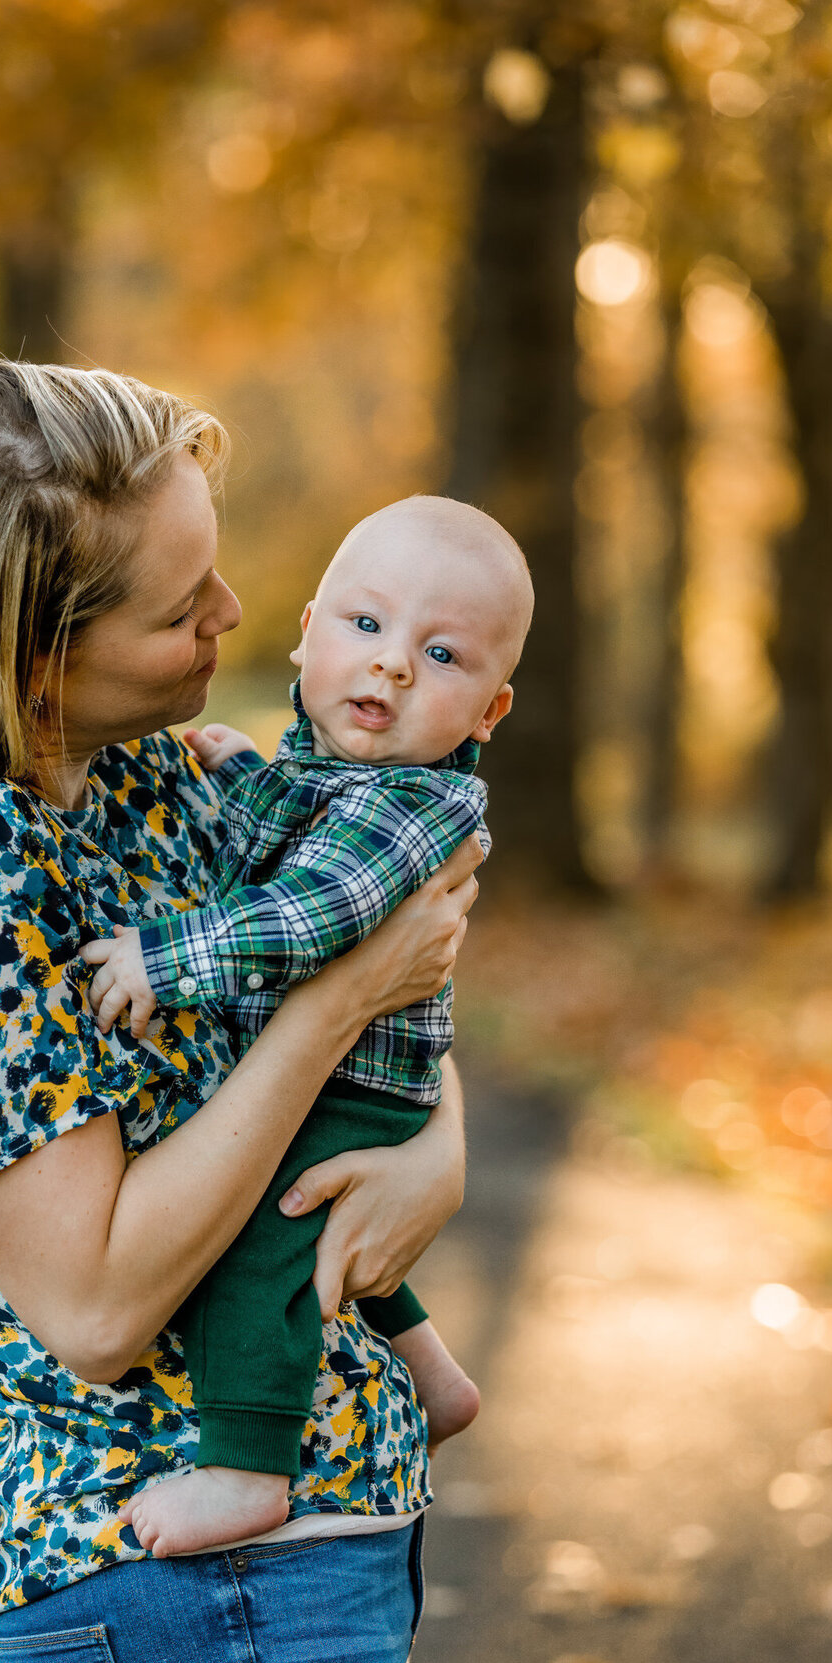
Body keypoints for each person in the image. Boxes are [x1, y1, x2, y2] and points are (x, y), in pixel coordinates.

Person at [0, 361, 483, 1663]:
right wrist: (337, 1002)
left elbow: (406, 972)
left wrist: (434, 1152)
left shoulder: (149, 779)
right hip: (174, 1602)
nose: (230, 615)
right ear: (35, 656)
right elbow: (92, 1305)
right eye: (179, 606)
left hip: (306, 1569)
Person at [83, 495, 533, 1557]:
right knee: (323, 1230)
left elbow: (309, 912)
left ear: (489, 714)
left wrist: (168, 957)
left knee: (256, 1243)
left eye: (442, 654)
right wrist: (243, 769)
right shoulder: (345, 775)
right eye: (366, 627)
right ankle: (434, 1372)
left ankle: (247, 1467)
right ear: (307, 629)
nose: (391, 668)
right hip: (348, 1072)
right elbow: (283, 836)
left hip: (353, 1086)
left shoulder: (413, 806)